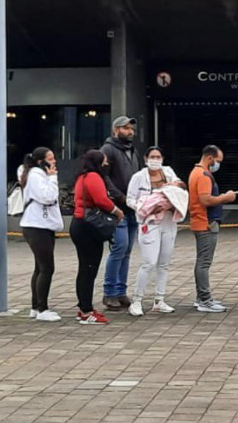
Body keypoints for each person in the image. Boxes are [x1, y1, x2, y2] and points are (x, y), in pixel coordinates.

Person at [126, 146, 187, 316]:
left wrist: (170, 202)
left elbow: (180, 191)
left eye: (158, 157)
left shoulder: (169, 173)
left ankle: (159, 300)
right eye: (152, 157)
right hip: (149, 222)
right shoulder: (138, 177)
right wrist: (144, 207)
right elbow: (130, 199)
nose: (155, 160)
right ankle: (137, 300)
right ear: (146, 159)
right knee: (149, 262)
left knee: (164, 263)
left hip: (168, 221)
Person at [70, 150, 123, 325]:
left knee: (85, 268)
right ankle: (86, 310)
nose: (106, 164)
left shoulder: (82, 176)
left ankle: (84, 308)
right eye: (104, 161)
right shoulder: (93, 176)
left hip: (80, 224)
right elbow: (101, 200)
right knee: (89, 269)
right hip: (88, 227)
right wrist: (117, 211)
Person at [101, 116, 143, 311]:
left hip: (133, 208)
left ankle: (120, 291)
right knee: (119, 248)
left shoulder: (133, 151)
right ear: (115, 130)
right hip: (117, 209)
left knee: (126, 251)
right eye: (125, 128)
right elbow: (104, 178)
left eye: (131, 129)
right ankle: (109, 292)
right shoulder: (108, 149)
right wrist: (119, 197)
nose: (130, 132)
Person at [189, 145, 237, 312]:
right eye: (218, 161)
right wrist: (226, 198)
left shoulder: (196, 172)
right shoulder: (203, 175)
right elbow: (206, 200)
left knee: (202, 261)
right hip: (206, 223)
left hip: (201, 222)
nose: (218, 164)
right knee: (204, 262)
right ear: (210, 158)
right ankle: (205, 299)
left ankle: (201, 297)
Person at [20, 146, 64, 321]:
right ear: (40, 161)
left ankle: (36, 307)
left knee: (40, 267)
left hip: (43, 225)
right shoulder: (36, 175)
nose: (54, 162)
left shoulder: (37, 174)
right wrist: (53, 178)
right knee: (47, 268)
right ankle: (42, 309)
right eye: (50, 159)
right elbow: (48, 197)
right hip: (36, 225)